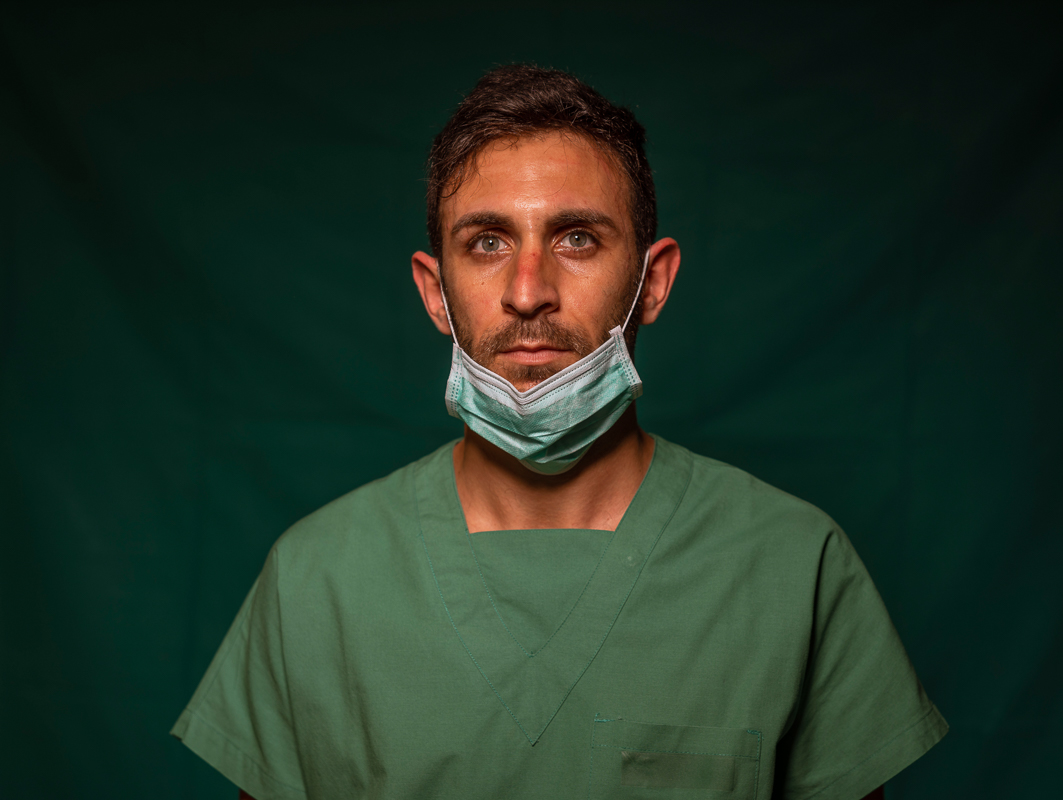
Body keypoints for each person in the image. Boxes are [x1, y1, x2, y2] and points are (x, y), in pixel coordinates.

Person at [171, 64, 948, 800]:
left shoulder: (792, 567)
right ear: (434, 294)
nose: (527, 292)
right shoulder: (316, 582)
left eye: (577, 238)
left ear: (654, 282)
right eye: (487, 242)